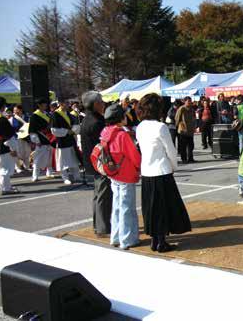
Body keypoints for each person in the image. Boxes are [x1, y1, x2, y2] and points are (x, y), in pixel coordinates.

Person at [136, 93, 191, 253]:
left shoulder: (140, 126)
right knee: (164, 208)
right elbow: (171, 151)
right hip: (161, 171)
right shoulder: (161, 127)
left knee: (151, 209)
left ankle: (155, 240)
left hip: (147, 171)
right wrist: (174, 166)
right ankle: (161, 242)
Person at [100, 104, 141, 250]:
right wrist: (140, 168)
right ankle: (128, 239)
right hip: (126, 174)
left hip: (113, 173)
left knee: (117, 206)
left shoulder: (105, 132)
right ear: (120, 118)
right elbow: (134, 156)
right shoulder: (122, 135)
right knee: (127, 207)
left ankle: (116, 236)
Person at [80, 91, 112, 236]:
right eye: (100, 101)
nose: (103, 104)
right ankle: (103, 227)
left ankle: (98, 225)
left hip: (92, 162)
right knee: (103, 195)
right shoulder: (97, 122)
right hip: (100, 163)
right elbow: (104, 145)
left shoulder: (87, 119)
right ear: (95, 104)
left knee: (98, 195)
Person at [51, 100, 81, 185]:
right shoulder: (55, 115)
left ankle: (77, 176)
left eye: (68, 103)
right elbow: (54, 130)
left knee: (74, 158)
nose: (68, 105)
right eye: (66, 103)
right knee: (62, 160)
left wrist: (73, 131)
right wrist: (67, 132)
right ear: (60, 104)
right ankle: (65, 177)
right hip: (62, 141)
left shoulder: (70, 114)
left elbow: (76, 125)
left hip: (71, 140)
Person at [28, 98, 54, 182]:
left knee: (50, 157)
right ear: (39, 105)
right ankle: (35, 175)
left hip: (50, 138)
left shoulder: (47, 114)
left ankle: (49, 172)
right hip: (40, 139)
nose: (46, 105)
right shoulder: (34, 116)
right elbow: (32, 130)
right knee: (38, 159)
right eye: (44, 104)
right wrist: (36, 141)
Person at [0, 97, 19, 195]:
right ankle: (6, 188)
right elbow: (9, 136)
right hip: (2, 146)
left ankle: (5, 186)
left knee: (1, 167)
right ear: (3, 107)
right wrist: (13, 148)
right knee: (5, 168)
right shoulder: (2, 119)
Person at [9, 105, 30, 173]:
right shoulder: (12, 119)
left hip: (26, 137)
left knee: (26, 152)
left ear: (20, 110)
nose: (15, 112)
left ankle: (26, 166)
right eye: (14, 110)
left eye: (16, 110)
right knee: (17, 153)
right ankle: (17, 167)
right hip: (16, 137)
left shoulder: (26, 117)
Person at [175, 96, 196, 164]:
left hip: (190, 130)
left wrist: (194, 126)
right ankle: (184, 159)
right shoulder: (181, 108)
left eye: (190, 101)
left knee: (191, 145)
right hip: (183, 129)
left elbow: (194, 117)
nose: (190, 102)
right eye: (188, 101)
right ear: (184, 101)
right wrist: (178, 125)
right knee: (183, 146)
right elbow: (177, 118)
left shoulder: (192, 109)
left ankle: (190, 158)